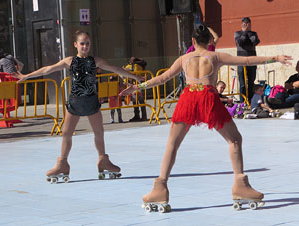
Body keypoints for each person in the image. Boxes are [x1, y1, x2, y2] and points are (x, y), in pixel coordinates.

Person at [120, 23, 292, 212]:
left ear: (193, 41)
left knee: (172, 144)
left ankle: (160, 187)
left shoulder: (184, 59)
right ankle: (240, 185)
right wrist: (274, 58)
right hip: (208, 99)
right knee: (234, 140)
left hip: (188, 99)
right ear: (210, 41)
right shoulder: (215, 56)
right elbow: (247, 60)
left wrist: (137, 87)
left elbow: (163, 78)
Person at [12, 30, 142, 182]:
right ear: (75, 45)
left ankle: (103, 160)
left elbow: (115, 69)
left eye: (87, 44)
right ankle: (62, 163)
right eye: (82, 43)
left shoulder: (96, 61)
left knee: (99, 133)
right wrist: (27, 76)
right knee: (66, 133)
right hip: (75, 102)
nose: (85, 46)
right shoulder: (70, 61)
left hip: (91, 102)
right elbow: (48, 69)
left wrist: (135, 77)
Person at [235, 17, 260, 103]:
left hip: (252, 60)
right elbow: (240, 42)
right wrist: (244, 32)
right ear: (242, 24)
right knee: (242, 83)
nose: (246, 25)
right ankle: (243, 101)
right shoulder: (237, 33)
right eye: (244, 24)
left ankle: (250, 100)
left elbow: (255, 42)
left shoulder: (253, 33)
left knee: (251, 81)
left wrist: (248, 33)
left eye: (248, 24)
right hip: (241, 61)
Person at [124, 57, 147, 122]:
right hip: (139, 86)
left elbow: (126, 76)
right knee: (139, 101)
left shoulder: (129, 67)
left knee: (136, 101)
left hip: (134, 86)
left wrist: (126, 80)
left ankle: (139, 116)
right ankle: (142, 116)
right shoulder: (140, 67)